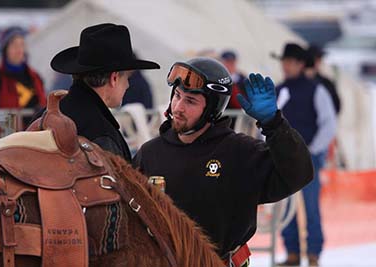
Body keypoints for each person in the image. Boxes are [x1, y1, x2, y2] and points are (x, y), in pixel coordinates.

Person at [133, 57, 314, 267]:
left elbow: (299, 174)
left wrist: (274, 124)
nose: (178, 107)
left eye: (190, 101)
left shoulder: (239, 153)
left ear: (212, 108)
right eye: (177, 96)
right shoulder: (150, 153)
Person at [32, 23, 159, 162]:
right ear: (114, 78)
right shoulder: (103, 135)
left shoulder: (44, 116)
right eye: (127, 78)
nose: (128, 85)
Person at [273, 43, 337, 267]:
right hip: (283, 158)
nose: (286, 66)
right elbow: (266, 122)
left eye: (290, 62)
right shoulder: (279, 90)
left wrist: (312, 149)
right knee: (285, 209)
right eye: (284, 61)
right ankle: (292, 252)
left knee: (310, 208)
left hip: (308, 157)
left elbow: (328, 124)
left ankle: (313, 253)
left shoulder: (316, 89)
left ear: (300, 64)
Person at [0, 26, 46, 141]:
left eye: (21, 45)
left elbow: (44, 106)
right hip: (2, 140)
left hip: (31, 139)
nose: (19, 50)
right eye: (14, 45)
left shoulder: (35, 77)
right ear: (6, 49)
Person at [306, 45, 341, 115]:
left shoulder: (327, 83)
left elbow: (336, 107)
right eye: (317, 59)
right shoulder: (296, 80)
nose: (320, 62)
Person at [220, 50, 247, 128]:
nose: (229, 65)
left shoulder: (242, 79)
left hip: (238, 119)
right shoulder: (218, 78)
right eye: (227, 62)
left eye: (232, 62)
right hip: (222, 117)